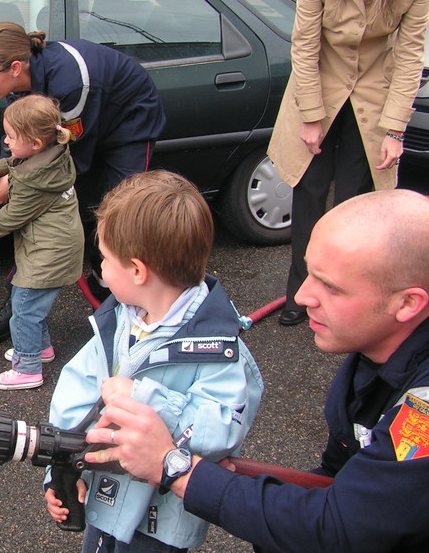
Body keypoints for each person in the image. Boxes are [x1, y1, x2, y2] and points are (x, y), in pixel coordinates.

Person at [84, 188, 429, 552]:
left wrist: (173, 467)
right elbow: (337, 478)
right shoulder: (374, 355)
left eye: (331, 287)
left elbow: (344, 528)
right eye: (308, 272)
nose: (301, 297)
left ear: (407, 303)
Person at [45, 171, 263, 551]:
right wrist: (59, 467)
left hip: (162, 521)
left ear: (137, 270)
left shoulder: (219, 347)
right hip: (104, 498)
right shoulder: (116, 323)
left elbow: (222, 429)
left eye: (105, 259)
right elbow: (74, 400)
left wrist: (146, 400)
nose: (101, 270)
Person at [268, 0, 429, 326]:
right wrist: (310, 116)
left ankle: (341, 297)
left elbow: (410, 53)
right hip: (318, 86)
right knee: (309, 193)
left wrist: (395, 129)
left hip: (374, 94)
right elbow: (303, 46)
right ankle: (299, 296)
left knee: (355, 201)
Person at [0, 22, 167, 343]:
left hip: (126, 123)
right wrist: (1, 173)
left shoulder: (70, 83)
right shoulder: (21, 84)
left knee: (124, 216)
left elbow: (63, 154)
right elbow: (22, 137)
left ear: (15, 68)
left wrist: (14, 184)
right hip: (77, 128)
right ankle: (19, 305)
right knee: (46, 220)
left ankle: (116, 298)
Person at [0, 94, 84, 390]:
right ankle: (40, 350)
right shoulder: (52, 153)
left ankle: (28, 368)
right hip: (53, 246)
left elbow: (10, 218)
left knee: (24, 309)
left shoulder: (33, 182)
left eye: (11, 137)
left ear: (35, 143)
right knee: (31, 305)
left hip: (49, 253)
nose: (6, 141)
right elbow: (18, 159)